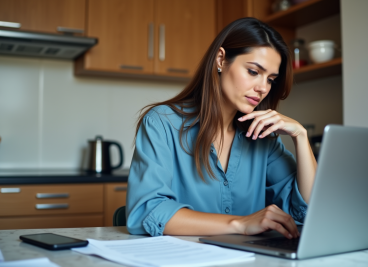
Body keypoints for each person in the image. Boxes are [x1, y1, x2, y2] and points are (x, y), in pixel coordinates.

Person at [126, 17, 317, 239]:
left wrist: (300, 136)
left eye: (271, 79)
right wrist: (240, 224)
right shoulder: (162, 123)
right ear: (220, 59)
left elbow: (305, 210)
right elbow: (147, 212)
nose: (263, 88)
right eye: (254, 72)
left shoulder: (263, 137)